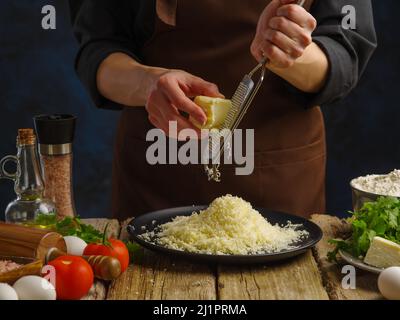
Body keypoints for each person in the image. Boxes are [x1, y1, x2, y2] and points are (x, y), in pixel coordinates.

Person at [71, 0, 376, 219]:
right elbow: (98, 47)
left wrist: (289, 53)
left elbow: (344, 53)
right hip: (156, 175)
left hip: (279, 182)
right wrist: (148, 83)